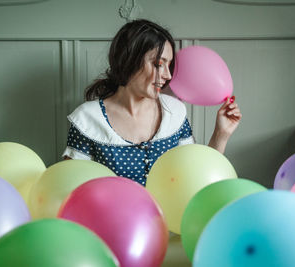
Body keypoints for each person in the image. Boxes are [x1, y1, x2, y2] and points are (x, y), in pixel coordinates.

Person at [62, 19, 242, 186]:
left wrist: (221, 134)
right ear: (128, 60)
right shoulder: (87, 119)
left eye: (169, 65)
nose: (168, 75)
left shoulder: (174, 112)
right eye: (158, 64)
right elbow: (71, 189)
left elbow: (196, 178)